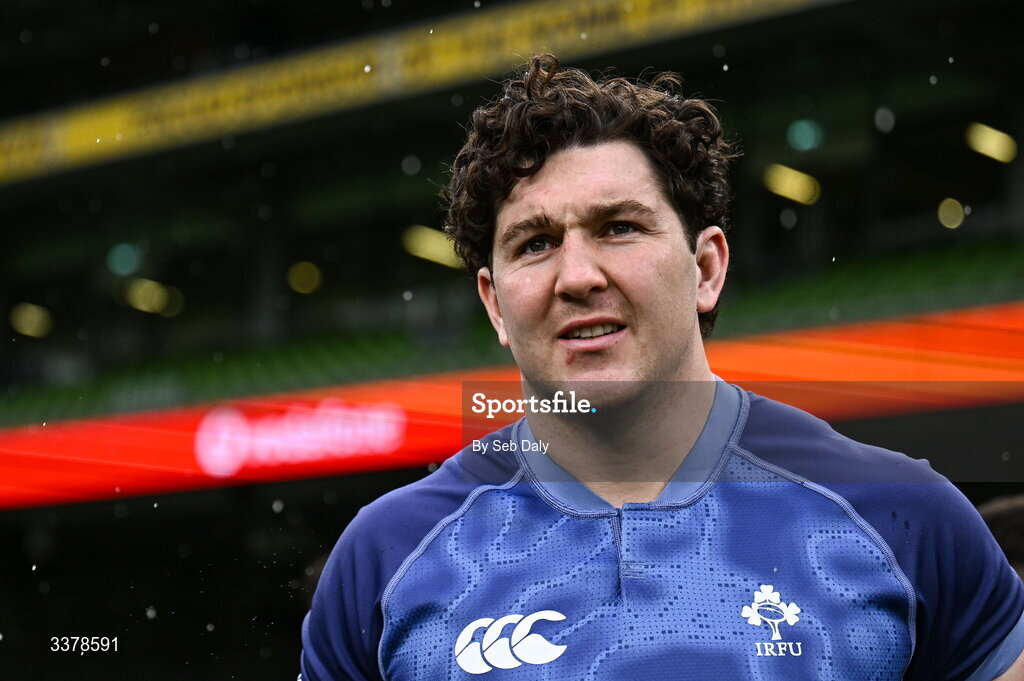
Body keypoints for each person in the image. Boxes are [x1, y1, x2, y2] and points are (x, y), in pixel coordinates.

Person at [299, 54, 1024, 680]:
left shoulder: (904, 517)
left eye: (619, 227)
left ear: (706, 267)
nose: (577, 274)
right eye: (534, 242)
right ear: (493, 304)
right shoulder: (384, 558)